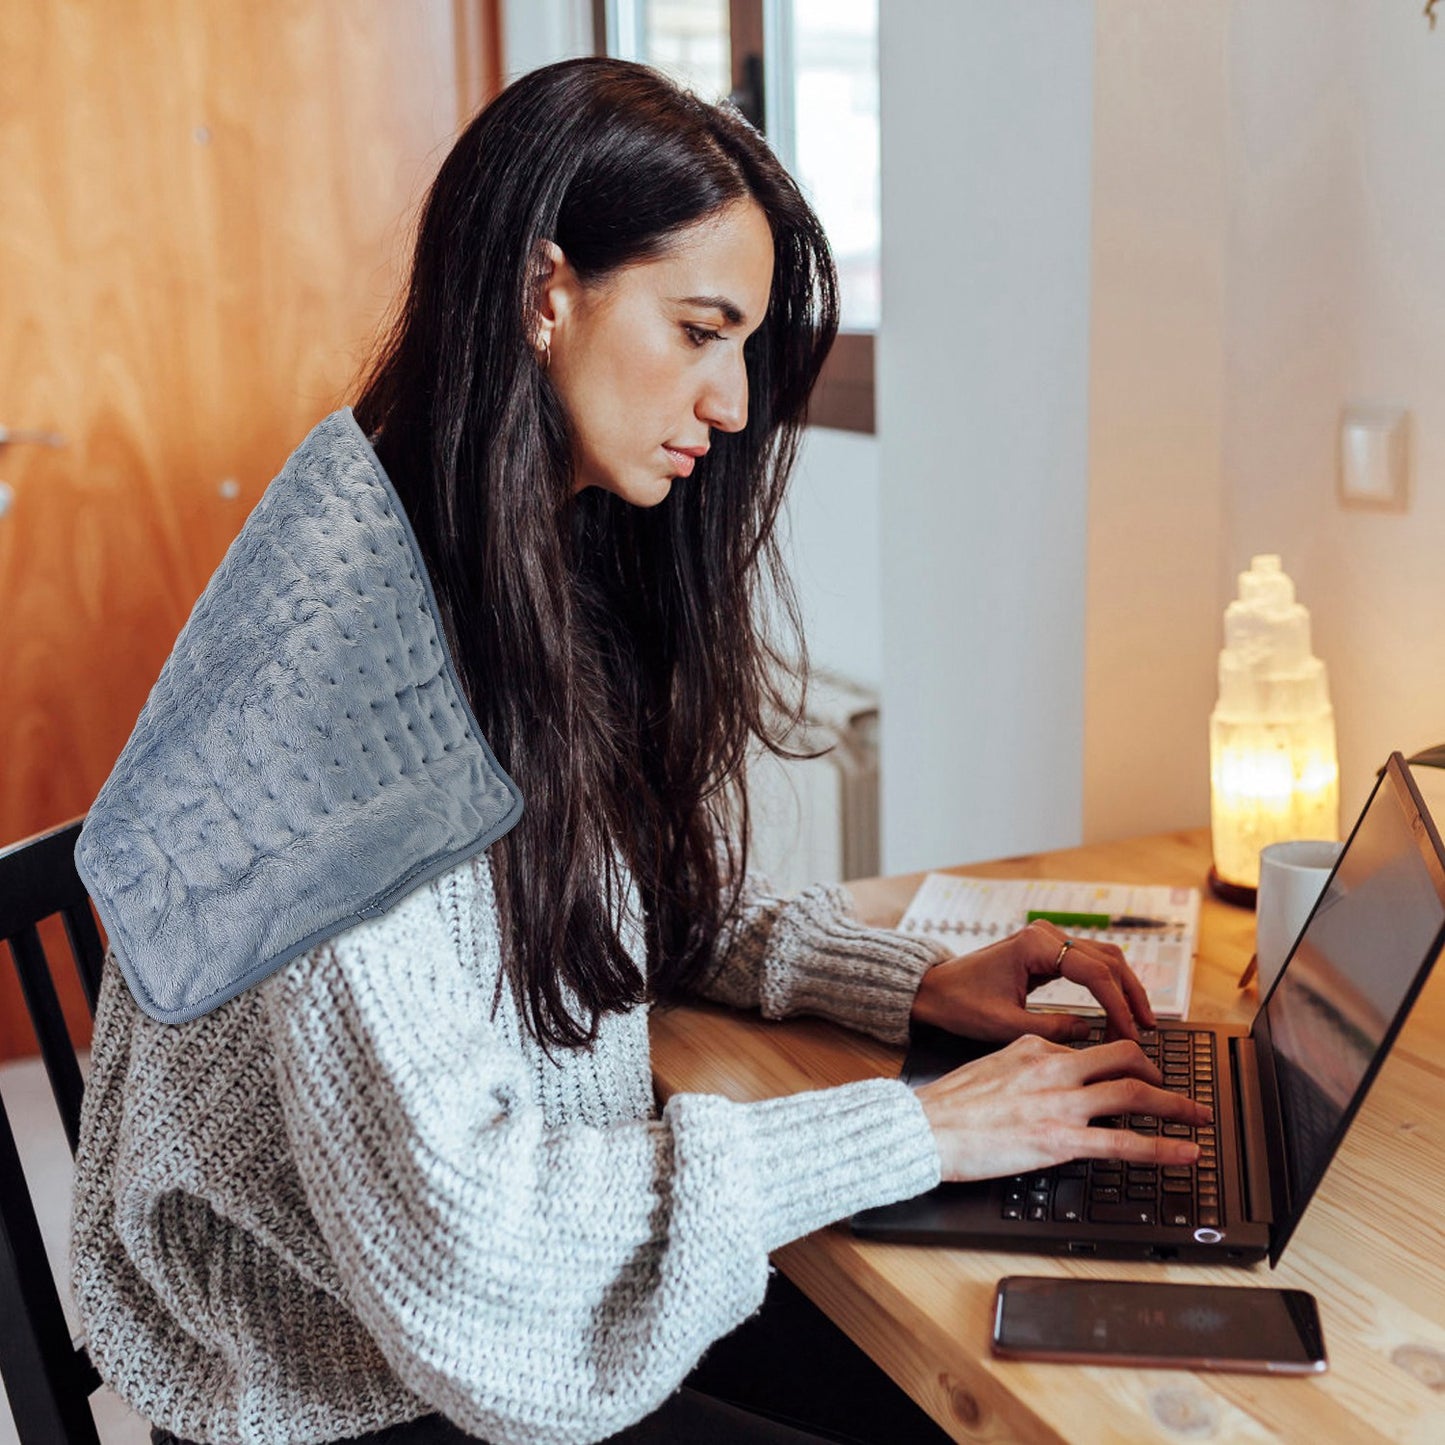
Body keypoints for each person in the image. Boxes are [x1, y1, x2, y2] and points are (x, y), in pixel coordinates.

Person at [68, 58, 1209, 1445]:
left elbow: (594, 911)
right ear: (547, 293)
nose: (731, 403)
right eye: (697, 329)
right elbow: (471, 1261)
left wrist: (912, 982)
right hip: (362, 1385)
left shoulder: (480, 542)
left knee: (955, 1367)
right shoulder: (349, 701)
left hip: (449, 1312)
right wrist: (923, 1131)